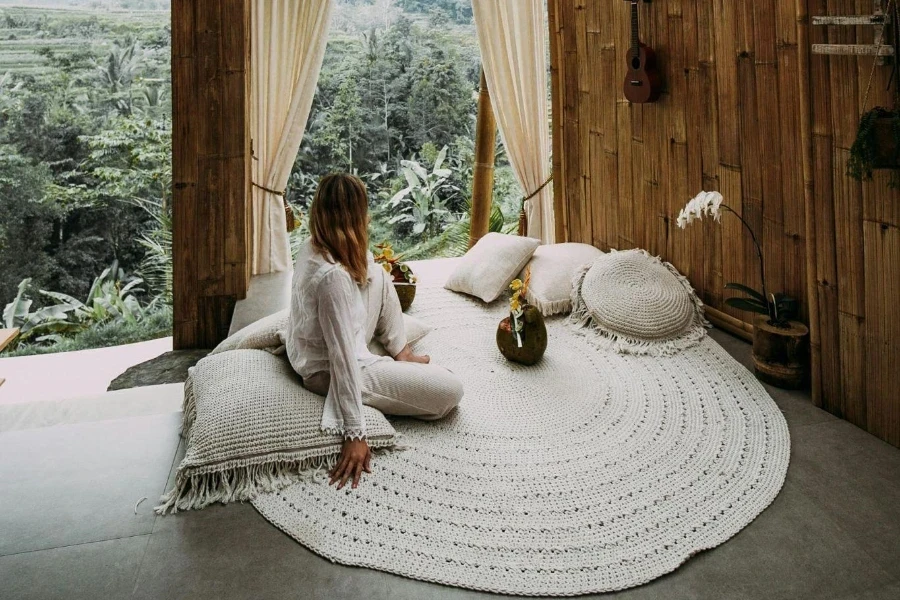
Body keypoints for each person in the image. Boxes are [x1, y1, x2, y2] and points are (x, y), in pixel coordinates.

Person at [286, 173, 463, 491]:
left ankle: (400, 350)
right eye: (363, 212)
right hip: (328, 369)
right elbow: (343, 359)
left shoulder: (315, 245)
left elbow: (358, 277)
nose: (368, 218)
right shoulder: (332, 279)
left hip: (338, 340)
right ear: (353, 218)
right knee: (450, 391)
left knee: (377, 272)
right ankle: (391, 370)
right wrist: (355, 433)